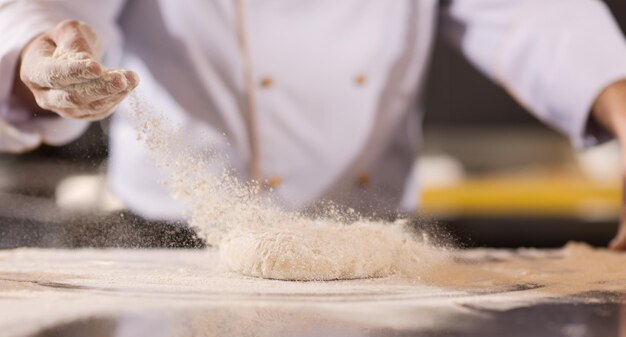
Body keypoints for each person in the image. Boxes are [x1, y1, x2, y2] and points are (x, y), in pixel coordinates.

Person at [2, 0, 626, 249]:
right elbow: (52, 14)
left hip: (375, 249)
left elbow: (533, 15)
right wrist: (41, 51)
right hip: (172, 247)